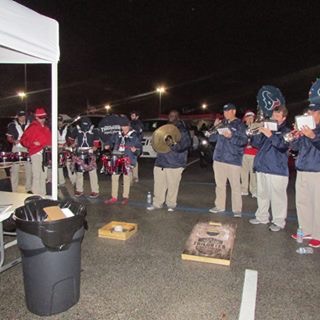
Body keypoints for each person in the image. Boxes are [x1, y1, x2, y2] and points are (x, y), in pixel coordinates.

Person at [249, 105, 290, 231]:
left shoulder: (286, 130)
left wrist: (271, 135)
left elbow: (283, 146)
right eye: (273, 115)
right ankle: (262, 217)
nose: (274, 118)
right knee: (262, 194)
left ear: (283, 118)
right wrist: (258, 131)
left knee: (278, 197)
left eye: (277, 116)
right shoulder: (268, 128)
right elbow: (256, 144)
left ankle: (278, 221)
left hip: (277, 168)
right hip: (263, 166)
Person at [290, 81, 320, 247]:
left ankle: (318, 234)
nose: (310, 115)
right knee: (302, 202)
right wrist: (297, 136)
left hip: (317, 170)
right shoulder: (307, 128)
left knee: (318, 203)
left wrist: (312, 136)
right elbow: (294, 148)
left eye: (313, 112)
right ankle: (306, 230)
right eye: (309, 112)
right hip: (302, 168)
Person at [207, 103, 248, 217]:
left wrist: (231, 136)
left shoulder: (240, 125)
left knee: (235, 186)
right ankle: (219, 206)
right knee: (219, 185)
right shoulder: (222, 123)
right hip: (219, 158)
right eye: (224, 111)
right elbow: (212, 139)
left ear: (233, 111)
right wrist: (214, 128)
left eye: (228, 111)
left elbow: (244, 141)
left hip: (233, 159)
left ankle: (237, 210)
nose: (225, 113)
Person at [147, 110, 191, 212]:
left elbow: (184, 146)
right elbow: (157, 143)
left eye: (174, 115)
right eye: (170, 115)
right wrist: (155, 145)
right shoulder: (164, 129)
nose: (171, 117)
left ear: (178, 117)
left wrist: (171, 143)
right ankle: (157, 203)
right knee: (158, 185)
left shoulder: (182, 130)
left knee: (172, 185)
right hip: (160, 162)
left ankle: (171, 204)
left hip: (174, 163)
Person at [104, 116, 142, 205]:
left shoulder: (134, 136)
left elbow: (140, 149)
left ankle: (125, 196)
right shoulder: (117, 134)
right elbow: (109, 141)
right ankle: (114, 197)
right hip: (116, 158)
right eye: (122, 126)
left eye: (125, 126)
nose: (124, 128)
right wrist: (107, 144)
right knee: (114, 178)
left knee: (126, 178)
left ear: (129, 126)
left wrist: (135, 150)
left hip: (127, 159)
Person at [20, 108, 51, 196]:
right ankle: (36, 195)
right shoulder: (32, 127)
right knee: (37, 175)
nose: (43, 119)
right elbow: (23, 140)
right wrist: (32, 143)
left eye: (44, 117)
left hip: (45, 154)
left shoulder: (46, 128)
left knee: (43, 175)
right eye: (41, 118)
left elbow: (49, 141)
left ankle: (42, 194)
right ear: (36, 117)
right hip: (36, 153)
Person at [68, 117, 100, 198]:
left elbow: (96, 143)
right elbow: (71, 139)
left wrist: (94, 148)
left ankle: (95, 190)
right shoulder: (77, 129)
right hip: (79, 152)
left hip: (89, 152)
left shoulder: (94, 130)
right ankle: (79, 190)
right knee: (79, 172)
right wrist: (73, 144)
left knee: (92, 172)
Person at [6, 110, 32, 193]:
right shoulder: (12, 125)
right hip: (17, 148)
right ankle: (14, 189)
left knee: (29, 169)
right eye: (21, 116)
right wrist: (14, 141)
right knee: (14, 169)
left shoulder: (30, 124)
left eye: (24, 116)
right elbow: (9, 138)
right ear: (17, 116)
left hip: (27, 148)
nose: (22, 118)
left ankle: (28, 188)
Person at [241, 110, 258, 198]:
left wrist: (252, 145)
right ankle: (244, 189)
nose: (249, 120)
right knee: (243, 172)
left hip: (253, 153)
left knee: (253, 173)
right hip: (244, 153)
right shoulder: (243, 128)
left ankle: (254, 190)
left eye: (251, 118)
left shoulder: (257, 127)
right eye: (248, 118)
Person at [57, 115, 75, 186]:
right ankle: (61, 182)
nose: (59, 122)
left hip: (66, 148)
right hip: (57, 148)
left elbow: (71, 139)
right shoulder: (53, 128)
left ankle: (73, 180)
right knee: (59, 165)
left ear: (62, 121)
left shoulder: (67, 128)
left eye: (60, 121)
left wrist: (68, 145)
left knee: (69, 164)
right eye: (58, 121)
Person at [130, 111, 144, 183]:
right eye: (131, 115)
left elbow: (140, 136)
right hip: (130, 144)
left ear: (137, 116)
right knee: (130, 159)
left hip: (135, 144)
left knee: (134, 160)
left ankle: (134, 177)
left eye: (133, 115)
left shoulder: (138, 124)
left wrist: (137, 146)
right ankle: (132, 177)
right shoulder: (130, 123)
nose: (131, 117)